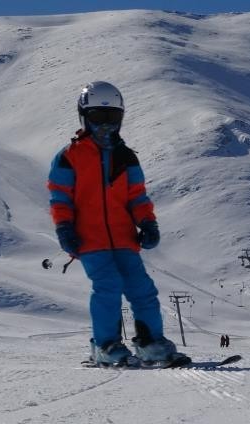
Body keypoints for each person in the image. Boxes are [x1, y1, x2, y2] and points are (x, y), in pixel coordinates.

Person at [47, 81, 187, 367]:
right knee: (108, 286)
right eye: (98, 118)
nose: (105, 126)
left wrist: (147, 223)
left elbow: (137, 197)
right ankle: (105, 345)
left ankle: (151, 345)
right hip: (89, 239)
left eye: (112, 119)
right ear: (84, 117)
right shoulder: (69, 157)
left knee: (142, 289)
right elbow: (60, 198)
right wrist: (64, 228)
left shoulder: (126, 157)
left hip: (124, 239)